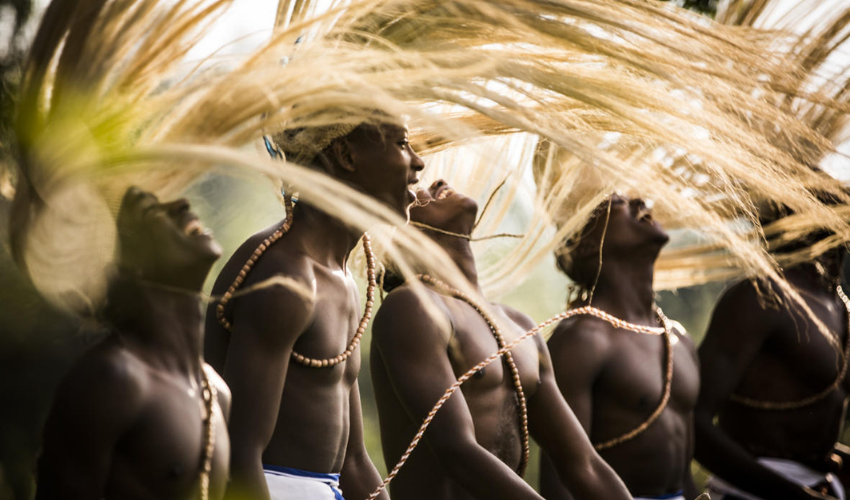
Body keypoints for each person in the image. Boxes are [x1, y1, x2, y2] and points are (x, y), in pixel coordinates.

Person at [370, 180, 633, 500]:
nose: (437, 182)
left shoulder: (519, 325)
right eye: (418, 189)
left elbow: (582, 464)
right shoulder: (412, 307)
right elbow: (456, 452)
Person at [205, 121, 424, 500]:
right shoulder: (287, 278)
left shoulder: (341, 280)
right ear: (346, 155)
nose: (418, 162)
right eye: (402, 144)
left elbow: (353, 461)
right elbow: (239, 458)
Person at [35, 187, 231, 500]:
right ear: (130, 261)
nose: (181, 203)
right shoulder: (113, 380)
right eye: (153, 213)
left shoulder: (217, 394)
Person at [539, 194, 700, 500]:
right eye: (616, 203)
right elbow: (560, 480)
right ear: (585, 244)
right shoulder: (581, 339)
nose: (640, 200)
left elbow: (685, 478)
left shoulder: (679, 338)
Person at [695, 228, 848, 500]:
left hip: (821, 486)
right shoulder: (761, 297)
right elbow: (693, 423)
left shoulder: (839, 304)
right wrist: (795, 495)